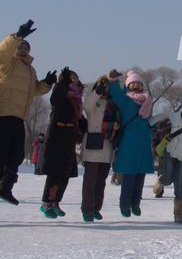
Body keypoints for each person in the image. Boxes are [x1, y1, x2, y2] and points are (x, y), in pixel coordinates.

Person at [0, 20, 56, 205]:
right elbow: (3, 51)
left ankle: (5, 188)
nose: (23, 49)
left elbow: (35, 90)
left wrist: (47, 83)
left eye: (26, 47)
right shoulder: (8, 64)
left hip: (18, 117)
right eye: (21, 46)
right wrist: (17, 36)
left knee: (15, 155)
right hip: (3, 113)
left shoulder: (30, 70)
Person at [108, 70, 155, 217]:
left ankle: (136, 203)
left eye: (139, 83)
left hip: (144, 140)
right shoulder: (125, 99)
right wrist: (113, 80)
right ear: (128, 85)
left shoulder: (147, 99)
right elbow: (115, 94)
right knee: (129, 175)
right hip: (129, 140)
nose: (136, 85)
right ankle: (125, 204)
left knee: (140, 175)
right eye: (133, 83)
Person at [40, 68, 83, 218]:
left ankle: (56, 201)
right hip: (57, 134)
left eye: (76, 77)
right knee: (55, 171)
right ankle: (47, 202)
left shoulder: (78, 97)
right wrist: (61, 83)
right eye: (70, 77)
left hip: (70, 136)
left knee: (65, 173)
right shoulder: (61, 90)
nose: (74, 79)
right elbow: (55, 101)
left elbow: (79, 118)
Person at [80, 76, 118, 222]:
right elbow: (87, 106)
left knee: (101, 180)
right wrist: (97, 92)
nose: (106, 88)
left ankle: (96, 208)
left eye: (108, 86)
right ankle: (87, 209)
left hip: (108, 144)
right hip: (93, 144)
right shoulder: (93, 101)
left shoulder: (114, 104)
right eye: (104, 85)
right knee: (90, 180)